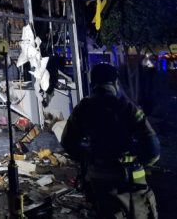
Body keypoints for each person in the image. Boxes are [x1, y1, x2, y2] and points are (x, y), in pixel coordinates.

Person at [61, 63, 160, 218]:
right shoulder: (128, 108)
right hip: (130, 184)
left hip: (98, 183)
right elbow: (153, 150)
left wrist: (88, 157)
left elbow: (68, 143)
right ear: (115, 83)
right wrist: (141, 162)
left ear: (92, 84)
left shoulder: (83, 109)